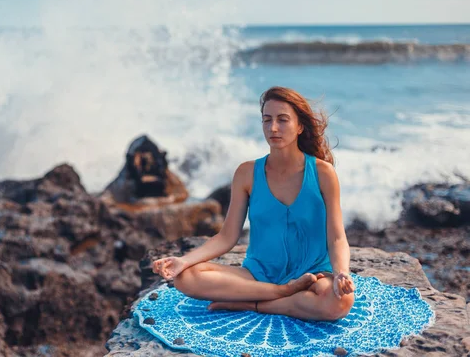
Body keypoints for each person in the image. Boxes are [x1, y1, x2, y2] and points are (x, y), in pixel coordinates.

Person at [152, 86, 355, 321]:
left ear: (300, 126)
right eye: (267, 120)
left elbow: (338, 238)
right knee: (185, 277)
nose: (273, 128)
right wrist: (183, 261)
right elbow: (227, 236)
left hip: (314, 276)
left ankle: (256, 304)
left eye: (282, 120)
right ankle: (282, 294)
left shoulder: (322, 173)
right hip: (258, 276)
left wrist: (341, 273)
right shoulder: (247, 173)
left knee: (341, 302)